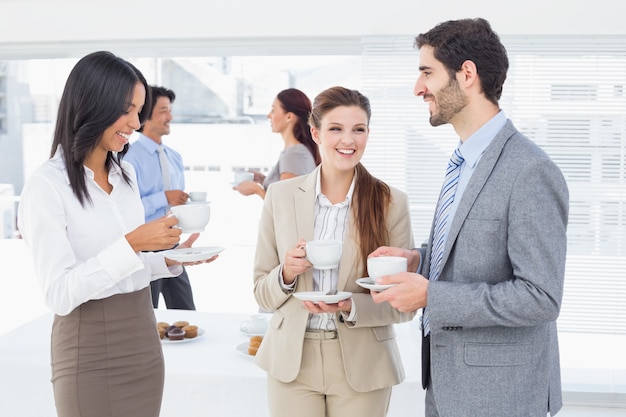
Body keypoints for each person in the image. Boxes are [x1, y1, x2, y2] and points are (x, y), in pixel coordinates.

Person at [369, 18, 569, 417]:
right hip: (447, 385)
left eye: (427, 72)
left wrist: (431, 295)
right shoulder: (463, 160)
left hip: (498, 396)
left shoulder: (529, 170)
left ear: (467, 74)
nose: (418, 88)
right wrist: (419, 260)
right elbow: (474, 254)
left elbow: (540, 297)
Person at [17, 51, 218, 417]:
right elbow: (60, 294)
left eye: (140, 111)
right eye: (127, 110)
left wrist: (168, 260)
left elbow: (131, 266)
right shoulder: (47, 186)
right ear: (92, 105)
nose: (136, 123)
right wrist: (132, 243)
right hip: (88, 349)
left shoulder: (125, 177)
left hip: (143, 339)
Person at [252, 86, 416, 417]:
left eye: (359, 129)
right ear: (315, 132)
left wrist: (352, 305)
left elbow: (404, 306)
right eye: (336, 129)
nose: (349, 140)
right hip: (291, 364)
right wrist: (286, 274)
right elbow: (262, 295)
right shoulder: (280, 197)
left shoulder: (391, 203)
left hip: (364, 363)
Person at [124, 86, 196, 310]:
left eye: (170, 110)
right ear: (145, 115)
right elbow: (126, 210)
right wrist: (162, 197)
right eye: (164, 110)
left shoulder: (175, 158)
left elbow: (177, 206)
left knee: (187, 310)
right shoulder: (128, 158)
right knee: (147, 313)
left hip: (172, 245)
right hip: (144, 247)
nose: (170, 117)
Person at [233, 88, 321, 200]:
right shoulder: (293, 152)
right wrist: (262, 179)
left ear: (289, 117)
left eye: (273, 110)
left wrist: (256, 190)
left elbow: (286, 208)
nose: (268, 115)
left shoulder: (294, 154)